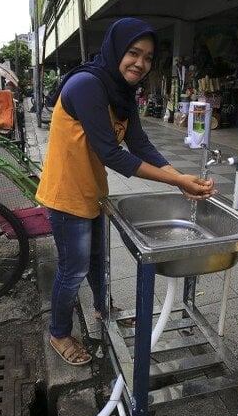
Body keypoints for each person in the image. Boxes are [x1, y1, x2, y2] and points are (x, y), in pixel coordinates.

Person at [35, 18, 215, 366]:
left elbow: (140, 143)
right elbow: (113, 154)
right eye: (133, 53)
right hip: (66, 195)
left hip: (93, 192)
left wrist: (181, 177)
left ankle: (104, 309)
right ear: (116, 49)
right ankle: (59, 332)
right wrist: (178, 182)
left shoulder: (123, 92)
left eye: (148, 57)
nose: (140, 63)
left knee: (98, 260)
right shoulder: (88, 85)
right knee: (72, 269)